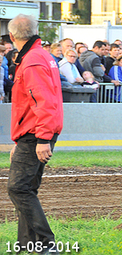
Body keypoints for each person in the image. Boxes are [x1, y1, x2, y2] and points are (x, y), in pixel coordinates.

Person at [6, 14, 63, 251]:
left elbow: (43, 101)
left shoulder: (31, 61)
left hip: (36, 132)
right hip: (34, 132)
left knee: (18, 188)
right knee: (26, 189)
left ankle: (45, 243)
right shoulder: (41, 56)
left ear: (11, 36)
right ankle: (27, 245)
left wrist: (42, 139)